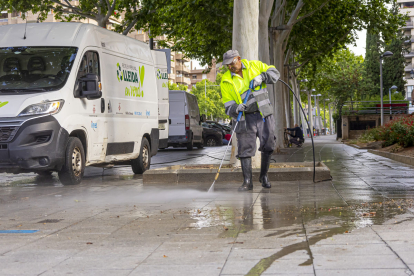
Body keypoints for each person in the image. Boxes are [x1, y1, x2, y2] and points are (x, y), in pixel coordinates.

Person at [220, 50, 280, 192]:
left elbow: (275, 73)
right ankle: (247, 182)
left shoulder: (255, 66)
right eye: (227, 65)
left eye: (231, 63)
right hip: (245, 118)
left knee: (269, 144)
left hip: (264, 113)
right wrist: (236, 107)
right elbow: (228, 106)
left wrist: (262, 77)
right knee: (245, 149)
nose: (229, 67)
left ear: (238, 59)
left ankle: (263, 176)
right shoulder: (226, 81)